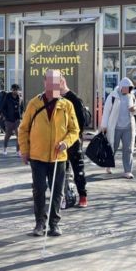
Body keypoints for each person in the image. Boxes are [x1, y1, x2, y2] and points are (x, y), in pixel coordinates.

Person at [18, 69, 80, 237]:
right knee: (39, 190)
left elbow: (74, 130)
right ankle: (40, 223)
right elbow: (23, 129)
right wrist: (24, 150)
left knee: (57, 191)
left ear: (60, 83)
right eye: (49, 81)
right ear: (44, 82)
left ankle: (54, 224)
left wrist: (66, 143)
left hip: (58, 156)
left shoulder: (67, 105)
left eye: (56, 81)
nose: (52, 85)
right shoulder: (34, 103)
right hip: (37, 156)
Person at [100, 77, 136, 179]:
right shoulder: (113, 96)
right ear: (123, 87)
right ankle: (108, 165)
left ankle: (128, 171)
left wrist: (134, 109)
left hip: (128, 127)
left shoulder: (131, 96)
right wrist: (104, 126)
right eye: (128, 88)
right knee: (113, 147)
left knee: (128, 149)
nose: (130, 90)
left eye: (131, 88)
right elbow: (106, 112)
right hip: (115, 127)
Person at [59, 75, 89, 208]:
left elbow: (81, 121)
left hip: (73, 140)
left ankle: (83, 196)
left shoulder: (74, 99)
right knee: (61, 169)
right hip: (58, 141)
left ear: (61, 82)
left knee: (78, 168)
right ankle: (62, 195)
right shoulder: (54, 98)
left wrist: (75, 135)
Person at [0, 84, 24, 155]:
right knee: (8, 134)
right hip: (9, 119)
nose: (15, 91)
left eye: (16, 90)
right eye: (13, 90)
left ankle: (18, 151)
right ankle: (5, 148)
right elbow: (3, 108)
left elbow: (21, 107)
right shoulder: (7, 97)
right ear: (11, 90)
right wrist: (6, 116)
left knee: (19, 135)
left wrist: (21, 116)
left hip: (17, 119)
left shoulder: (20, 98)